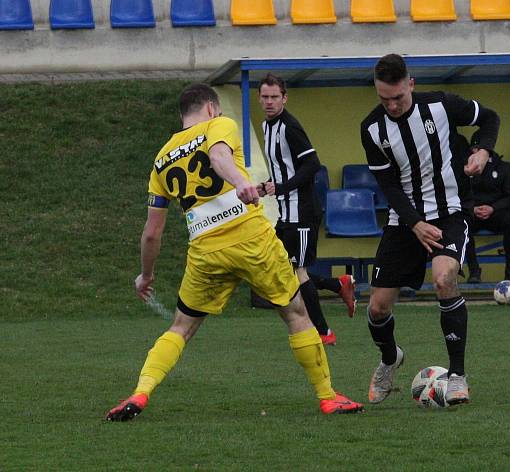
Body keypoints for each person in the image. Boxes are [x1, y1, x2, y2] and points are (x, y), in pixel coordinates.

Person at [106, 84, 363, 421]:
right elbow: (218, 156)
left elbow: (152, 232)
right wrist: (240, 183)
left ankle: (140, 392)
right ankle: (329, 397)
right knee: (296, 313)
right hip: (251, 239)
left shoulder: (161, 160)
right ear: (212, 108)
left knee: (181, 326)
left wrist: (147, 275)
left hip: (205, 250)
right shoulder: (219, 125)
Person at [360, 54, 500, 405]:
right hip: (404, 219)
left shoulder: (441, 104)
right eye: (384, 99)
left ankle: (457, 376)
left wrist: (482, 151)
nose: (392, 105)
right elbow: (389, 186)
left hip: (451, 211)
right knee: (377, 308)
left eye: (398, 98)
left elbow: (490, 119)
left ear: (411, 84)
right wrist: (415, 224)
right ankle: (391, 357)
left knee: (444, 279)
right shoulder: (372, 129)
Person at [254, 73, 355, 346]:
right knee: (282, 267)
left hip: (303, 212)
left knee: (298, 273)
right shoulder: (267, 127)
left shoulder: (290, 127)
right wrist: (268, 186)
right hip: (286, 212)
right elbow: (283, 170)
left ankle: (324, 331)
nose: (269, 102)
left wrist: (282, 187)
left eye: (275, 97)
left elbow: (312, 166)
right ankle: (338, 285)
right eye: (265, 97)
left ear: (284, 98)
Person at [464, 144, 510, 283]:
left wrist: (493, 208)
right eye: (473, 149)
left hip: (496, 213)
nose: (475, 153)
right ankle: (474, 271)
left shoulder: (505, 168)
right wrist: (472, 208)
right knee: (461, 224)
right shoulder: (463, 169)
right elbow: (456, 196)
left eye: (479, 149)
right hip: (473, 213)